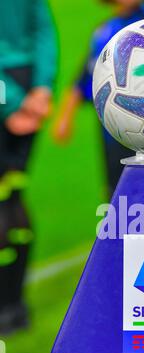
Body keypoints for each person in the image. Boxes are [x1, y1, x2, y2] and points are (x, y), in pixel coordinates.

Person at [53, 0, 144, 196]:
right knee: (118, 187)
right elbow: (85, 75)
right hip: (114, 127)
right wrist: (65, 116)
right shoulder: (105, 32)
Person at [0, 0, 57, 334]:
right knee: (13, 194)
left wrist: (14, 104)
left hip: (9, 93)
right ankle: (15, 305)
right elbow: (44, 30)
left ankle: (7, 304)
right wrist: (41, 89)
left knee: (5, 197)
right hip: (25, 84)